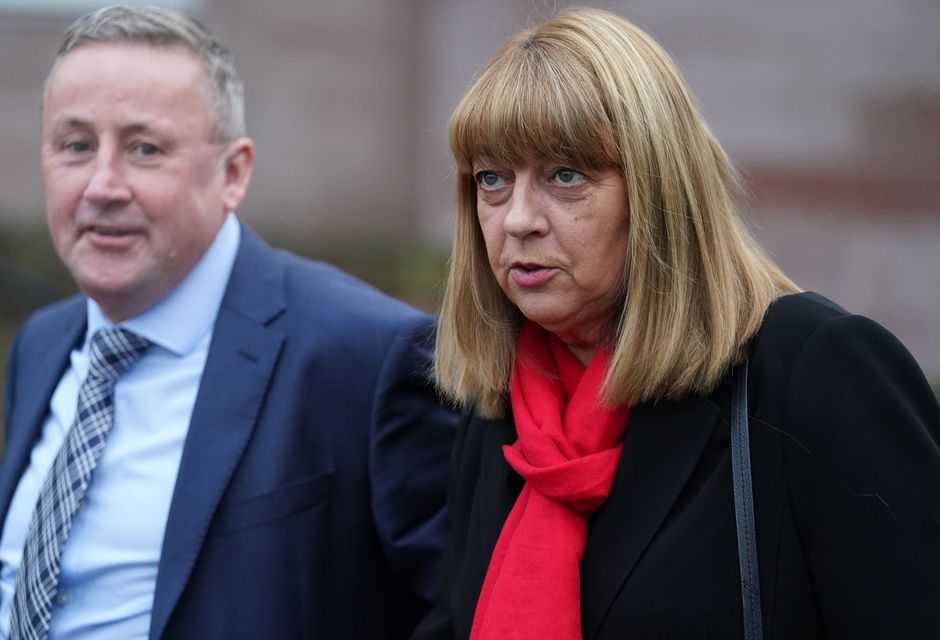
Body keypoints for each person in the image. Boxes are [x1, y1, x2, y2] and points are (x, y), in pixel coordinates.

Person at [416, 7, 940, 640]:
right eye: (493, 179)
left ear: (658, 191)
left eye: (566, 175)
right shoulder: (499, 405)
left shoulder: (814, 370)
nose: (517, 218)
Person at [0, 5, 456, 639]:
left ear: (234, 172)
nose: (102, 184)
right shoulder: (42, 344)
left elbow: (463, 612)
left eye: (144, 148)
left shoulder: (363, 356)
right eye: (76, 145)